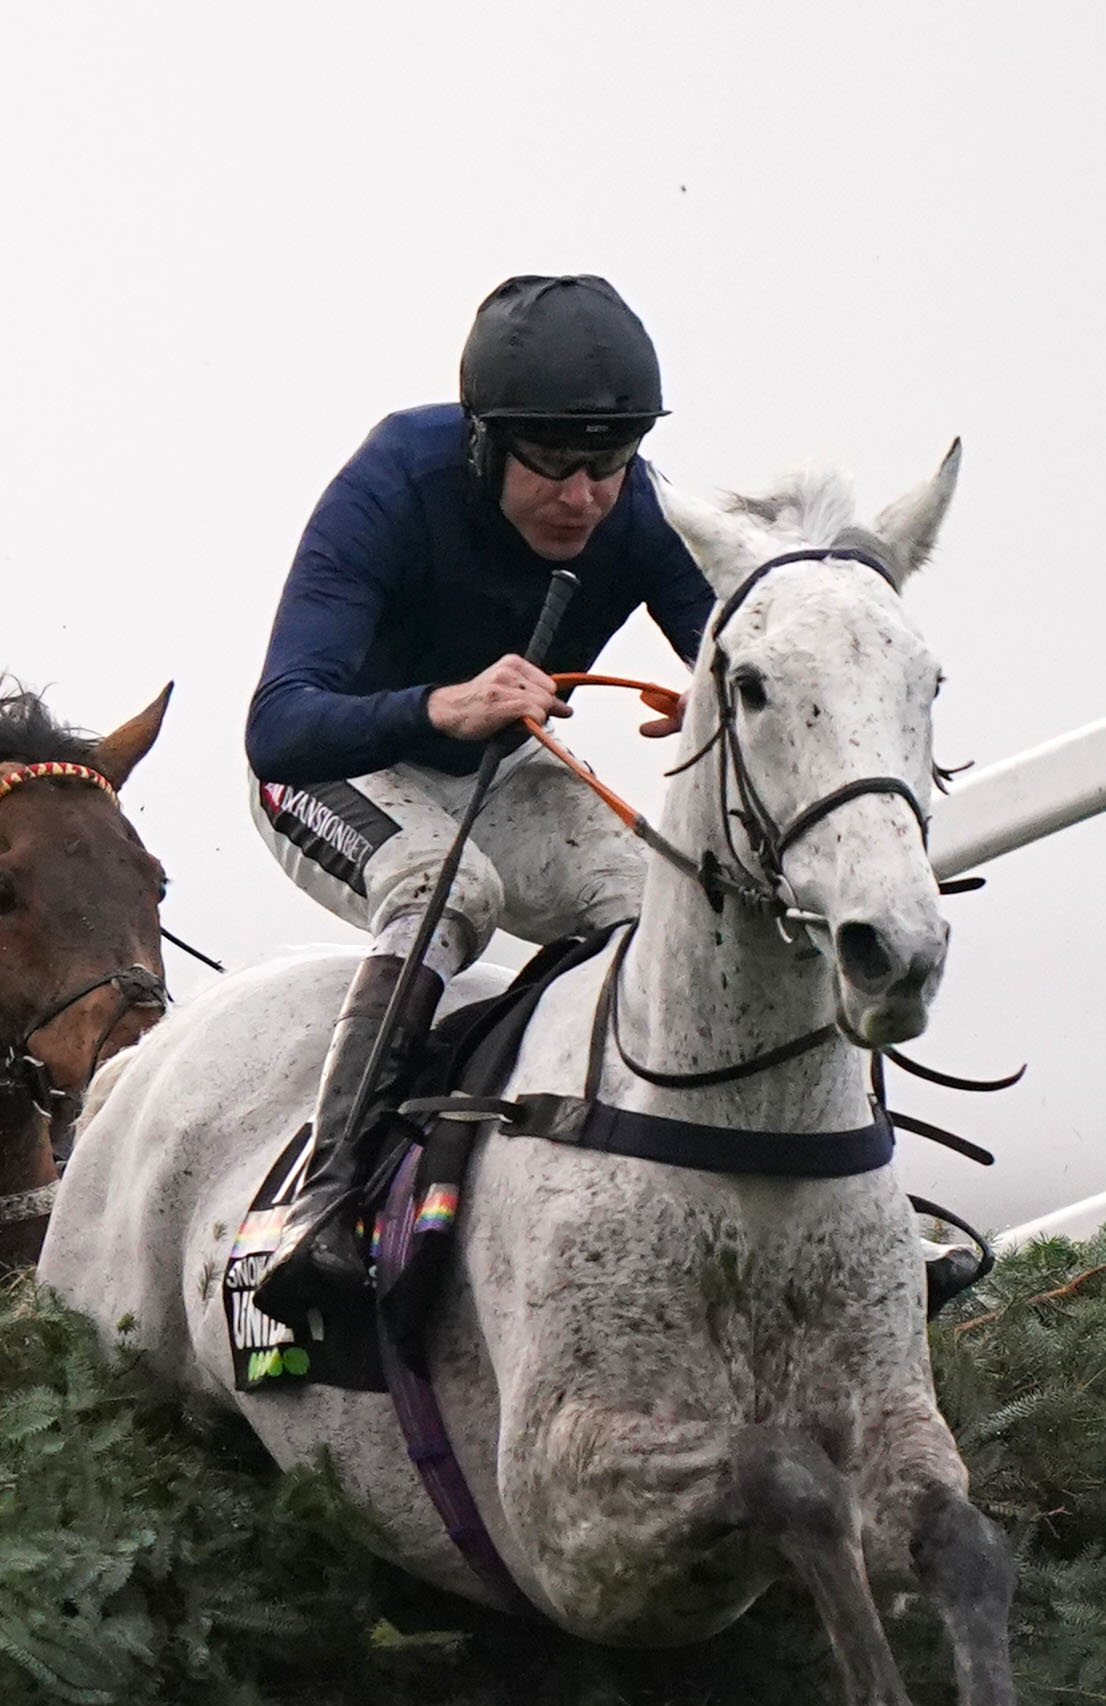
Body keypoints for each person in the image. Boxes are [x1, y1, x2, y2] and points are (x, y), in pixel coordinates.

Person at [239, 273, 715, 1334]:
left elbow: (732, 645)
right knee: (444, 885)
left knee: (646, 900)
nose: (582, 499)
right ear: (480, 442)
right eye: (550, 466)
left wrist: (726, 693)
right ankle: (327, 1194)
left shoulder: (634, 505)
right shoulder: (391, 480)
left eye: (608, 463)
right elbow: (277, 723)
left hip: (492, 776)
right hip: (330, 767)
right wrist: (439, 705)